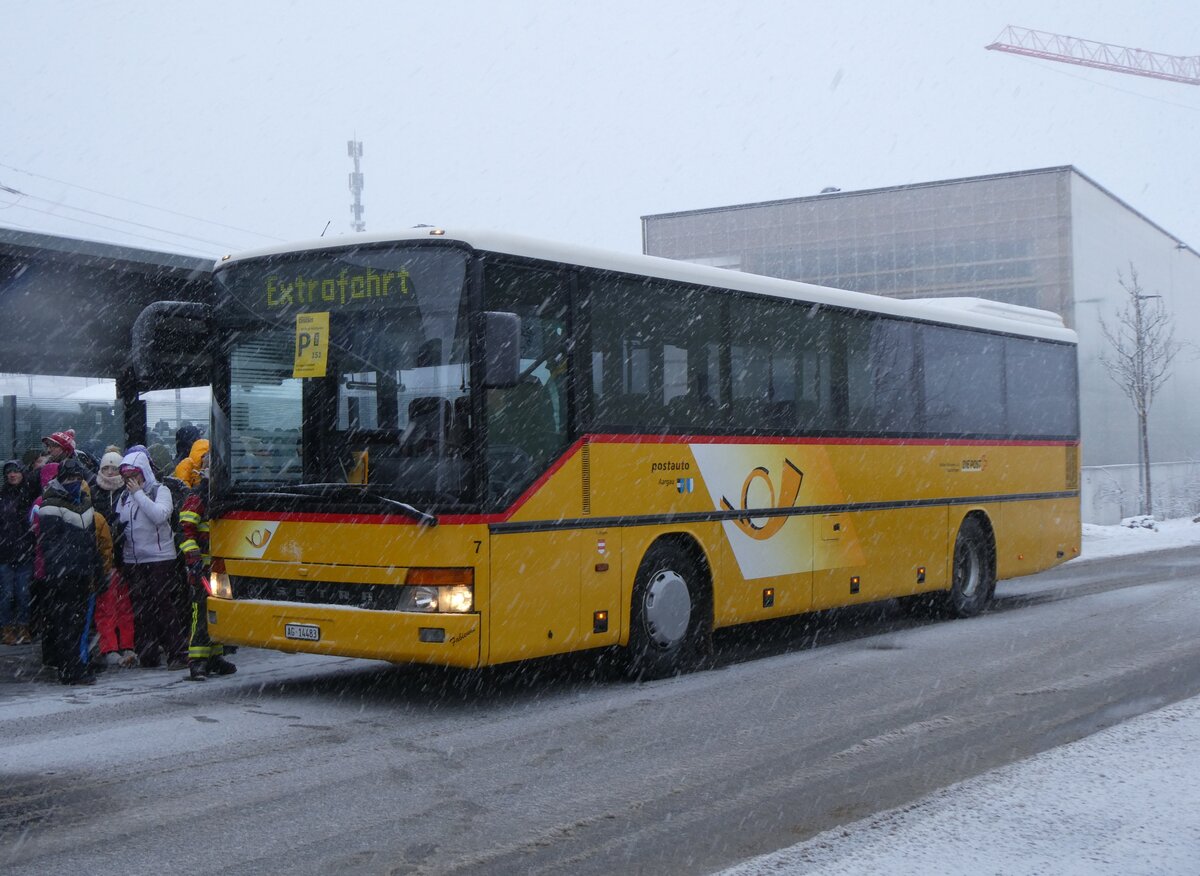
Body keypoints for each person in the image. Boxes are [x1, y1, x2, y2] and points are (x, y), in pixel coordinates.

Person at [36, 458, 113, 685]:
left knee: (78, 623)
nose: (74, 482)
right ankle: (70, 668)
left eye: (77, 478)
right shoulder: (50, 504)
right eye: (70, 478)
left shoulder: (84, 502)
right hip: (64, 574)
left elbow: (90, 542)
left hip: (81, 572)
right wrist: (60, 572)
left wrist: (97, 572)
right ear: (61, 478)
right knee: (66, 623)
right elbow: (50, 544)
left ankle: (75, 665)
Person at [116, 448, 185, 669]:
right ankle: (148, 653)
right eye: (126, 477)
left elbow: (159, 515)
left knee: (164, 606)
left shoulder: (159, 490)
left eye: (133, 475)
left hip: (159, 558)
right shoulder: (123, 496)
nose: (129, 481)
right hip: (133, 560)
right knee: (141, 609)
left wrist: (138, 493)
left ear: (144, 472)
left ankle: (178, 652)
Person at [177, 442, 235, 681]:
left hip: (218, 566)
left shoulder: (221, 495)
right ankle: (197, 662)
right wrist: (193, 560)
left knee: (217, 613)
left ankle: (214, 657)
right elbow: (185, 530)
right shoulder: (198, 495)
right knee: (199, 615)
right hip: (201, 566)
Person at [91, 448, 136, 668]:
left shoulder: (128, 492)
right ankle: (109, 647)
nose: (109, 472)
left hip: (125, 558)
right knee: (106, 608)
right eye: (105, 468)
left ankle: (127, 646)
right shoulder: (93, 492)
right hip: (105, 560)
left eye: (113, 468)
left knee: (125, 606)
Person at [0, 460, 36, 645]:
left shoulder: (30, 494)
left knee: (24, 594)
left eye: (15, 471)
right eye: (9, 472)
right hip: (5, 553)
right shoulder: (2, 496)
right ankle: (6, 628)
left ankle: (23, 627)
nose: (12, 474)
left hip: (25, 552)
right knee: (6, 594)